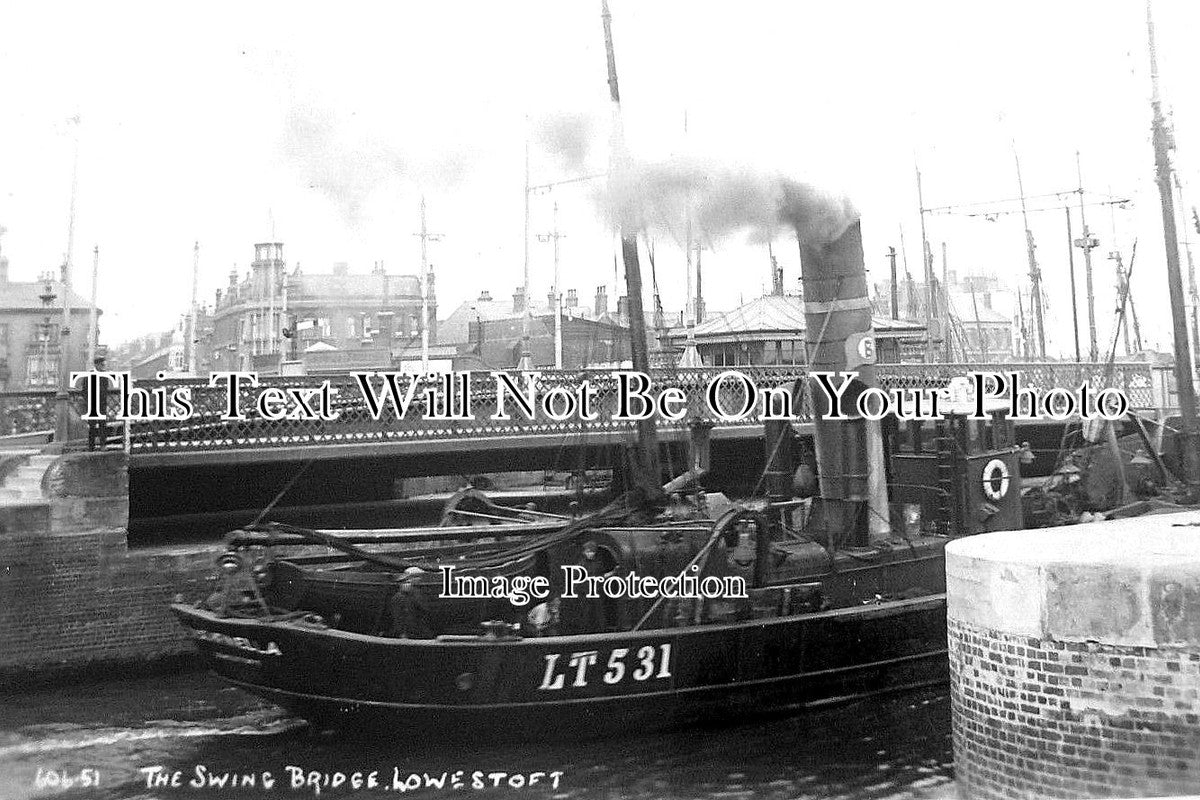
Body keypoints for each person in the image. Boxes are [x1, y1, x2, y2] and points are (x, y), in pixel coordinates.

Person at [87, 356, 110, 451]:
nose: (103, 366)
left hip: (101, 404)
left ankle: (102, 445)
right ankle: (91, 447)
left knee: (102, 426)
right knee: (92, 426)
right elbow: (85, 390)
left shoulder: (104, 376)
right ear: (96, 365)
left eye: (104, 365)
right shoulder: (90, 375)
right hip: (92, 404)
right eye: (102, 365)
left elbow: (106, 389)